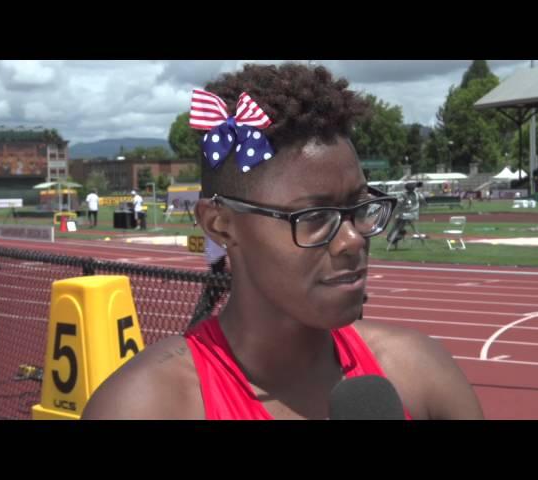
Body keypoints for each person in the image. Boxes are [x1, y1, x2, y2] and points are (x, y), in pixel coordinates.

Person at [82, 63, 483, 420]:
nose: (352, 239)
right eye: (314, 217)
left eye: (359, 207)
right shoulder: (146, 405)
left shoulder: (420, 372)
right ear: (221, 226)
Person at [188, 234, 228, 327]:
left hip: (221, 259)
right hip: (220, 260)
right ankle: (194, 330)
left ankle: (193, 330)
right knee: (208, 301)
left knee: (208, 302)